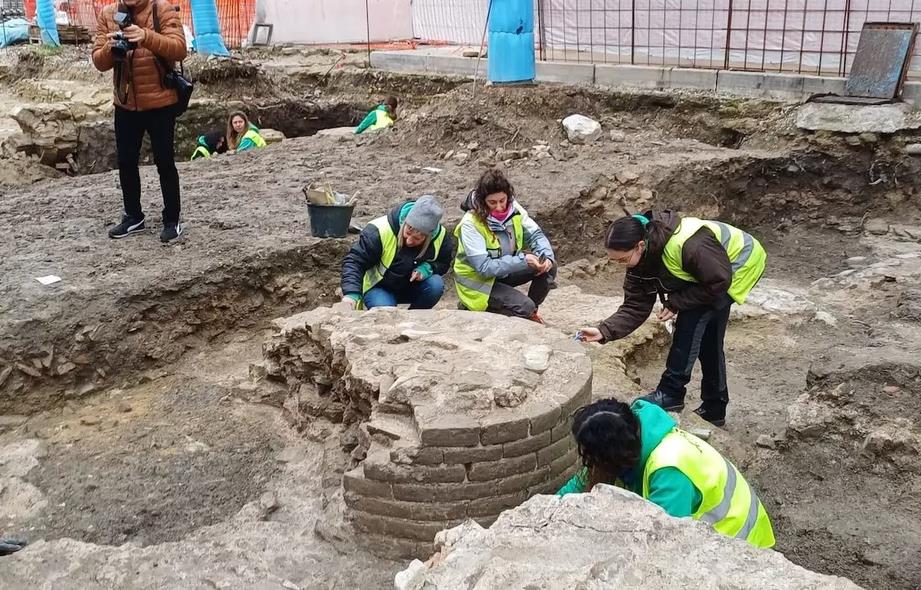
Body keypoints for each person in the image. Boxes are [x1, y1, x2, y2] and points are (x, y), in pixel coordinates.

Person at [577, 212, 766, 426]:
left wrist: (676, 302)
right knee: (709, 342)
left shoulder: (688, 245)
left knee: (689, 324)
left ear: (640, 245)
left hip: (738, 263)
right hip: (709, 274)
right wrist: (604, 330)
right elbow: (635, 306)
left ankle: (671, 392)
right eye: (616, 260)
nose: (623, 265)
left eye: (623, 259)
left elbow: (717, 282)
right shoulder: (639, 263)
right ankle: (715, 407)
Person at [558, 397, 775, 549]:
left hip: (736, 541)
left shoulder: (669, 472)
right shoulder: (633, 428)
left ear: (613, 455)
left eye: (594, 457)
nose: (589, 463)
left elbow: (666, 542)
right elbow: (583, 481)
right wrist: (551, 506)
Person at [92, 0, 187, 242]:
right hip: (125, 102)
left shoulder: (161, 8)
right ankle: (133, 216)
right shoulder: (109, 14)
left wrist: (145, 36)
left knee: (164, 162)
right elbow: (98, 61)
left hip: (160, 102)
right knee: (125, 162)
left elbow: (179, 49)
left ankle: (172, 219)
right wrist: (110, 49)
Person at [453, 169, 555, 323]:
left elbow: (536, 235)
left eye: (503, 200)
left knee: (549, 267)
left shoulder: (514, 209)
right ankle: (475, 308)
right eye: (492, 202)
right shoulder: (470, 223)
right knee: (524, 307)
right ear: (482, 201)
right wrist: (523, 260)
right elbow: (484, 268)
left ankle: (531, 311)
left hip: (504, 272)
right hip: (478, 284)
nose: (500, 207)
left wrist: (546, 256)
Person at [340, 195, 454, 310]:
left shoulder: (441, 237)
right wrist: (352, 293)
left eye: (417, 239)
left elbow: (443, 263)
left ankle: (415, 316)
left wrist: (427, 268)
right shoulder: (378, 231)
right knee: (385, 311)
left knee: (435, 285)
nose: (409, 241)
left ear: (429, 236)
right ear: (404, 222)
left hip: (411, 287)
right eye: (408, 233)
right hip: (379, 287)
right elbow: (355, 261)